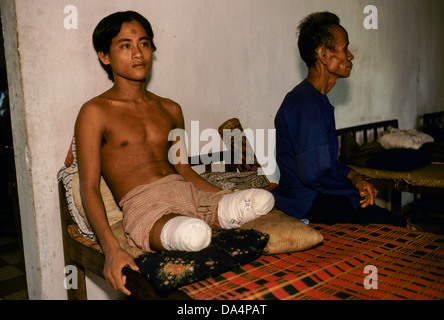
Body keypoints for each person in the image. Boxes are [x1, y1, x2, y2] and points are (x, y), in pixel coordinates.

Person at [74, 11, 274, 295]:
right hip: (145, 206)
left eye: (144, 44)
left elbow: (183, 170)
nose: (138, 53)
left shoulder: (170, 108)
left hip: (187, 194)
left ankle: (216, 213)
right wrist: (111, 249)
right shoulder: (95, 112)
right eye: (125, 45)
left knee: (262, 199)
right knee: (194, 235)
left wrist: (220, 196)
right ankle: (197, 225)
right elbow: (89, 187)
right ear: (104, 56)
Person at [271, 12, 404, 226]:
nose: (350, 56)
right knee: (396, 228)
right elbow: (314, 175)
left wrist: (355, 177)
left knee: (386, 218)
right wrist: (352, 189)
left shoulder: (315, 99)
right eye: (345, 48)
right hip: (306, 203)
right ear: (323, 55)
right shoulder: (306, 103)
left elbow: (326, 165)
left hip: (314, 197)